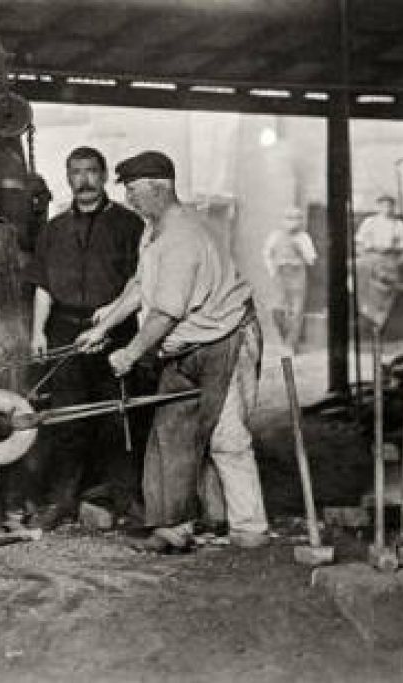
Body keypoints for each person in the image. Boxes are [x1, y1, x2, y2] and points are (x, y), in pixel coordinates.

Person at [77, 150, 269, 552]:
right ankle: (174, 527)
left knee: (226, 436)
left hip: (226, 337)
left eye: (135, 190)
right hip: (184, 343)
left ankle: (249, 527)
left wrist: (129, 353)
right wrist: (105, 324)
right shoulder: (155, 229)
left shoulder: (184, 237)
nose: (130, 199)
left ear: (160, 188)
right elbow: (140, 285)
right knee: (170, 433)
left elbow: (164, 313)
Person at [21, 146, 145, 531]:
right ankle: (63, 501)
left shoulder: (130, 226)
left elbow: (139, 283)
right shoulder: (54, 229)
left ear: (105, 175)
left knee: (117, 415)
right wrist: (38, 331)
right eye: (76, 172)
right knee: (67, 419)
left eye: (92, 171)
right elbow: (43, 284)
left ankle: (122, 499)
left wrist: (108, 321)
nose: (85, 180)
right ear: (68, 177)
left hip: (115, 330)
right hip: (64, 331)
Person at [262, 207, 317, 353]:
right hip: (280, 274)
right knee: (276, 309)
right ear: (282, 220)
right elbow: (267, 252)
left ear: (300, 221)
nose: (292, 222)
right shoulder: (275, 235)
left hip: (297, 273)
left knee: (296, 310)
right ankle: (285, 337)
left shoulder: (303, 237)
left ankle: (290, 345)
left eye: (296, 219)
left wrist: (301, 250)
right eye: (289, 218)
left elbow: (311, 260)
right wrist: (272, 270)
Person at [355, 194, 403, 328]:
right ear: (377, 206)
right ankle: (364, 313)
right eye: (382, 205)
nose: (386, 208)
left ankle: (377, 320)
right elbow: (358, 246)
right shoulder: (369, 222)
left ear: (393, 207)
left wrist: (394, 263)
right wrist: (366, 257)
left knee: (384, 281)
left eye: (389, 205)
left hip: (388, 260)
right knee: (358, 271)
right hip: (368, 259)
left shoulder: (399, 225)